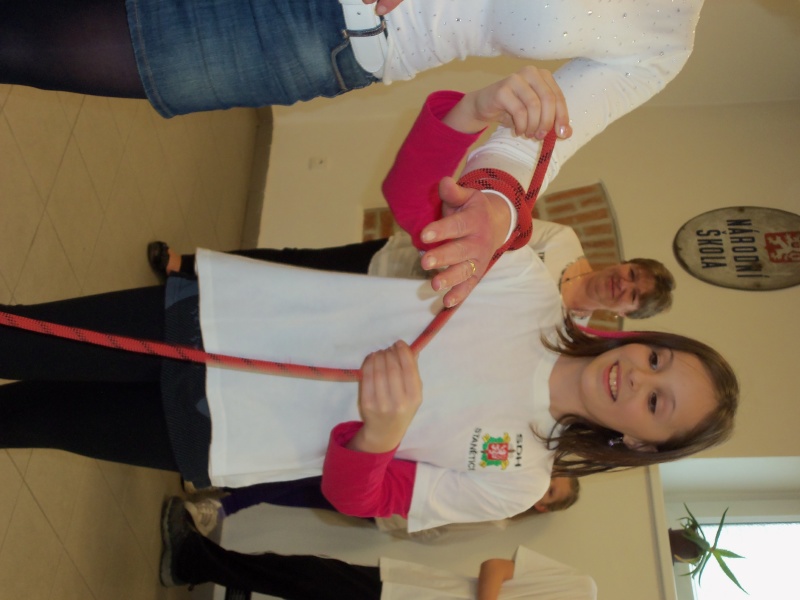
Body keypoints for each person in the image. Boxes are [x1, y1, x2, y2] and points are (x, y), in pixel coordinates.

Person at [0, 78, 738, 534]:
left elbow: (360, 498)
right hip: (215, 319)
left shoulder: (518, 479)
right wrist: (468, 114)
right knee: (22, 336)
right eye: (657, 359)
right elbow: (413, 200)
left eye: (657, 403)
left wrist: (381, 433)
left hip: (218, 432)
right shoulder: (530, 290)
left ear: (642, 444)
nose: (637, 377)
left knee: (28, 418)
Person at [148, 220, 676, 320]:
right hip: (400, 263)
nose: (623, 284)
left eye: (633, 295)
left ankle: (189, 310)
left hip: (404, 312)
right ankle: (187, 267)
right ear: (624, 262)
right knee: (295, 264)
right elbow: (494, 230)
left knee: (290, 307)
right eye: (633, 273)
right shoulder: (564, 240)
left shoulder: (566, 330)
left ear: (625, 314)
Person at [159, 496, 598, 598]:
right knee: (305, 576)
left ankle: (197, 562)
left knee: (302, 581)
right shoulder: (581, 589)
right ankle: (194, 560)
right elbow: (495, 568)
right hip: (407, 591)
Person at [173, 475, 580, 538]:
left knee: (299, 494)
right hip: (389, 474)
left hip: (387, 510)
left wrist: (402, 518)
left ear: (543, 508)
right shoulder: (503, 471)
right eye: (550, 479)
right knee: (301, 474)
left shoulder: (496, 522)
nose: (540, 488)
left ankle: (220, 501)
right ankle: (222, 495)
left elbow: (438, 531)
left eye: (549, 494)